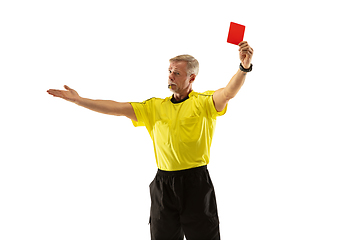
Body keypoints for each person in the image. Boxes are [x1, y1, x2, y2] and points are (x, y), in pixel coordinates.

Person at [47, 41, 254, 240]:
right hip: (163, 185)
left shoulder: (204, 103)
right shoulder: (154, 107)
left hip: (195, 183)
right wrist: (79, 100)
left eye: (177, 73)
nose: (171, 76)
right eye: (170, 71)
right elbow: (116, 108)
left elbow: (228, 93)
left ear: (191, 78)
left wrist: (243, 68)